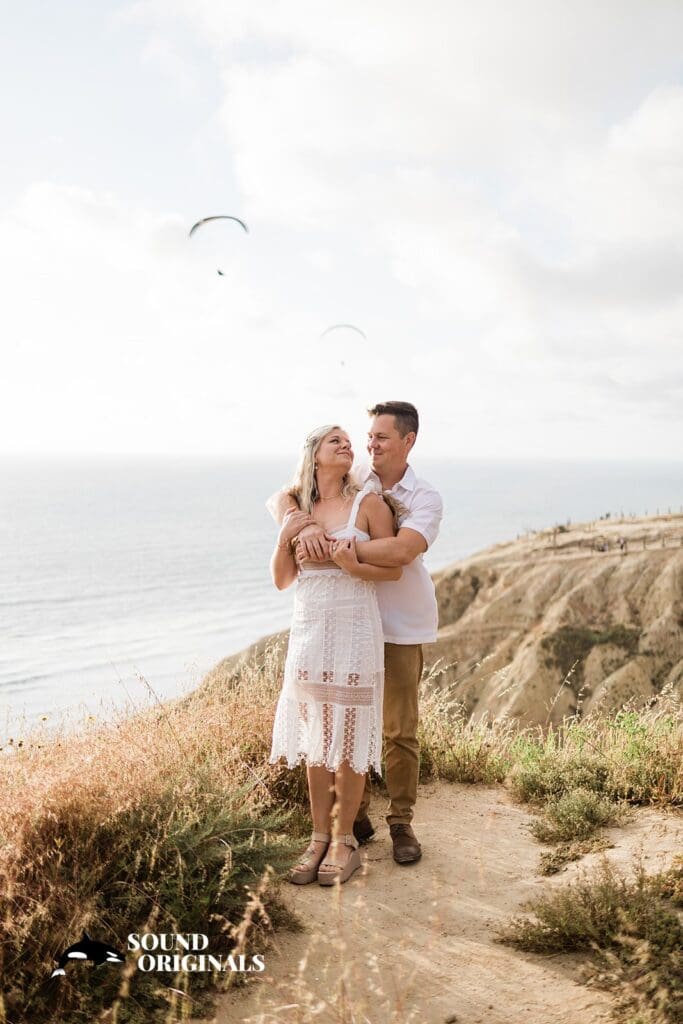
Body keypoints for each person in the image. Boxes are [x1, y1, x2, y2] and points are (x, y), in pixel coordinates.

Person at [270, 401, 443, 865]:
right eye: (369, 437)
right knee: (342, 726)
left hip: (399, 624)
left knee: (397, 729)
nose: (369, 445)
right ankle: (352, 822)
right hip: (342, 627)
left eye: (381, 438)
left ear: (408, 441)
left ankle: (402, 824)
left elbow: (404, 550)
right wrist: (298, 523)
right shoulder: (355, 474)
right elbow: (285, 495)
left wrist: (339, 553)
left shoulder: (424, 496)